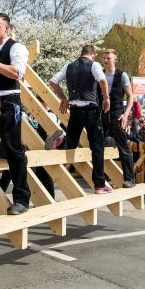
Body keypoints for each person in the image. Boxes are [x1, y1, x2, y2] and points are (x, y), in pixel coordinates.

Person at [0, 13, 57, 214]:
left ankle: (21, 199)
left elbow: (17, 72)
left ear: (7, 29)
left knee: (12, 148)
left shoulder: (16, 47)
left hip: (7, 102)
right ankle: (17, 152)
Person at [50, 45, 112, 194]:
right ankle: (99, 184)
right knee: (97, 146)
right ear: (93, 55)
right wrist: (106, 98)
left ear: (81, 53)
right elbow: (102, 81)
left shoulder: (69, 66)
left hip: (75, 110)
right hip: (90, 109)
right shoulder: (94, 64)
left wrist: (63, 98)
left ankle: (61, 141)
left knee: (71, 142)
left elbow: (53, 81)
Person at [99, 49, 136, 188]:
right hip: (101, 114)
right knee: (97, 145)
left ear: (115, 59)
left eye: (108, 58)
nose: (106, 60)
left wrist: (126, 114)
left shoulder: (122, 75)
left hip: (116, 115)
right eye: (104, 58)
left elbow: (130, 96)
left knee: (123, 148)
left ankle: (130, 179)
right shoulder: (100, 74)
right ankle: (100, 178)